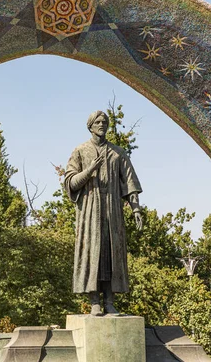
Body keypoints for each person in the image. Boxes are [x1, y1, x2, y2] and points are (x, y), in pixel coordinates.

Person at [65, 110, 143, 316]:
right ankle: (94, 301)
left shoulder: (118, 152)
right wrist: (89, 170)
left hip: (112, 209)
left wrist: (136, 208)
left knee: (111, 253)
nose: (102, 124)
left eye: (105, 122)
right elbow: (71, 182)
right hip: (90, 209)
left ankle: (110, 301)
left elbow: (130, 183)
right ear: (90, 126)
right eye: (98, 122)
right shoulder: (80, 151)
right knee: (92, 252)